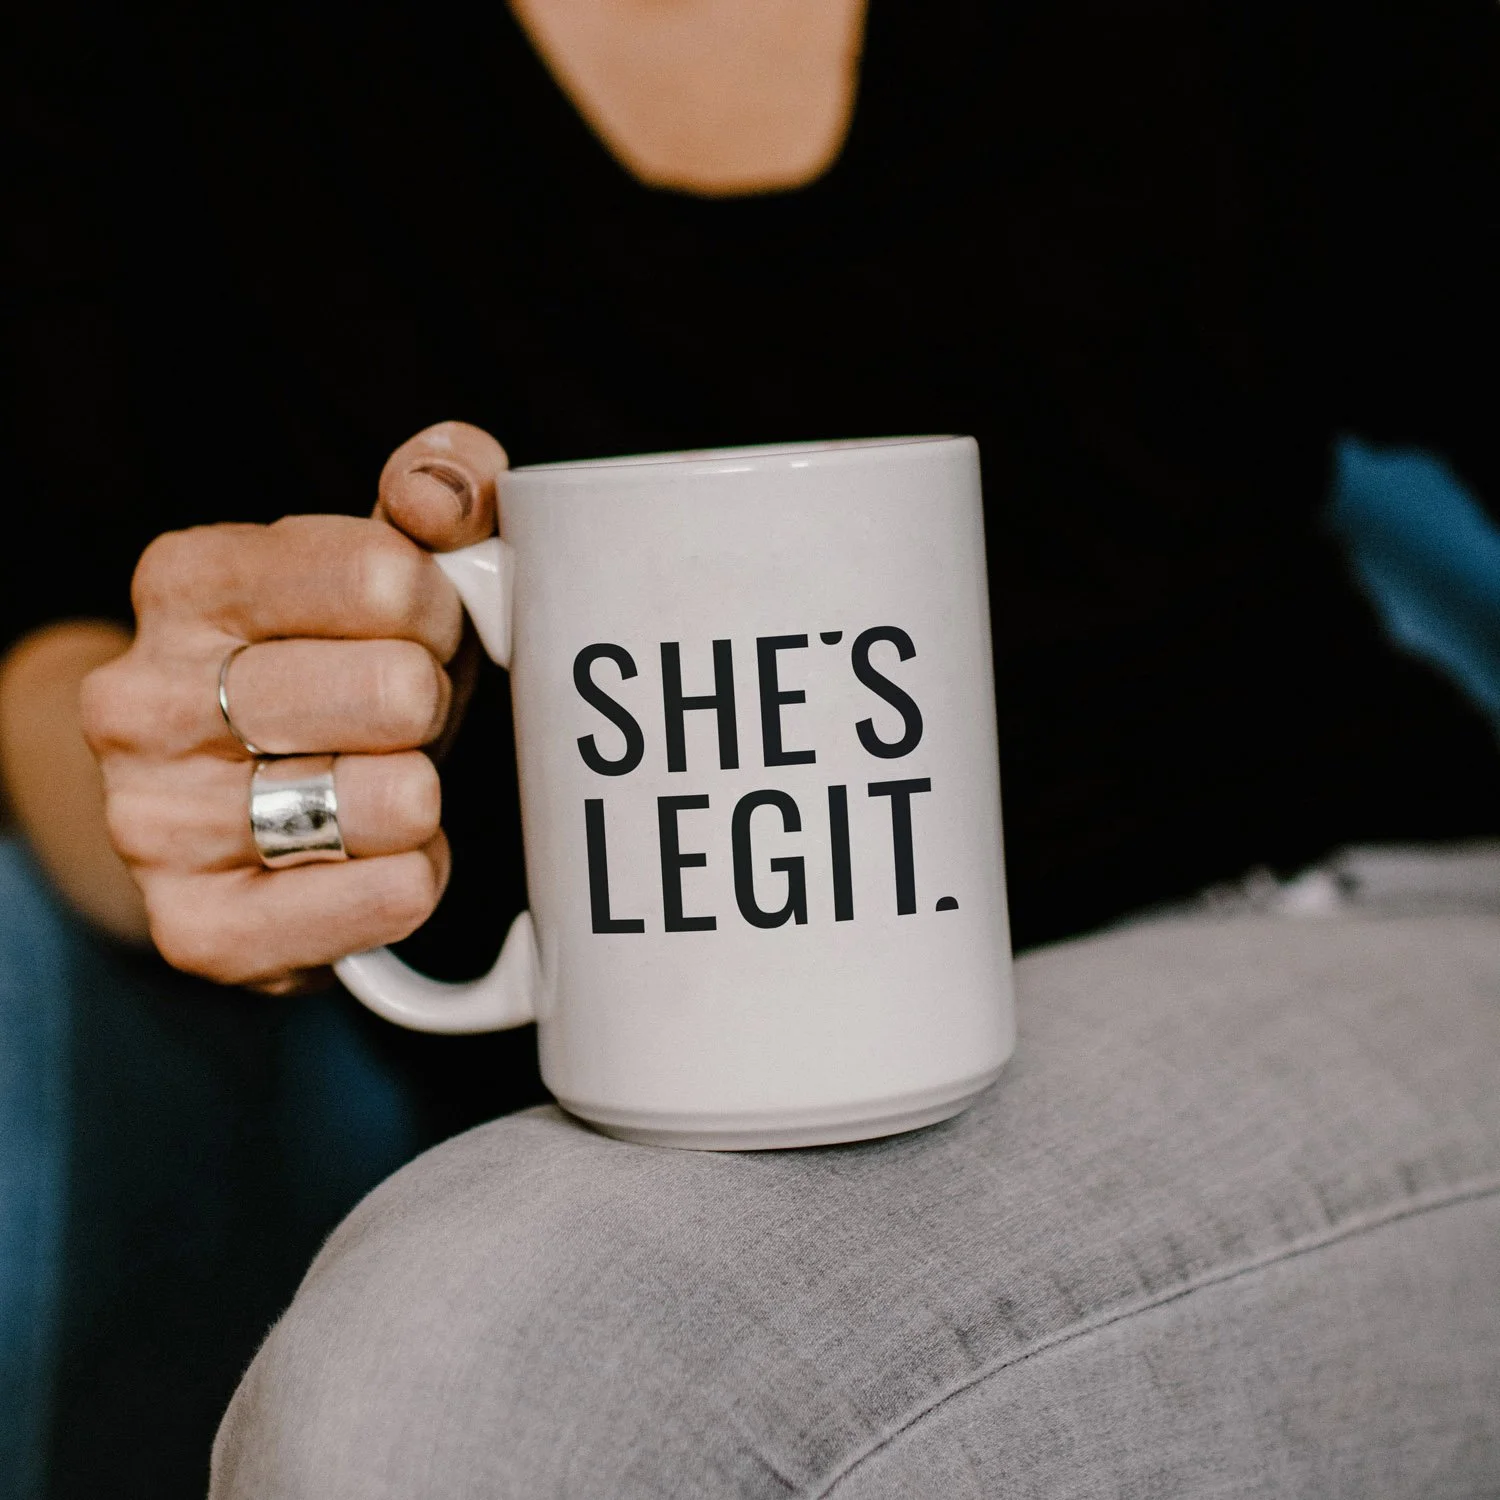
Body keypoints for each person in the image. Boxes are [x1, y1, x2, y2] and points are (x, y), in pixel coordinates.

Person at [5, 0, 1500, 1493]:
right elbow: (61, 647)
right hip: (636, 1151)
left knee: (458, 1377)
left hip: (1330, 937)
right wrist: (228, 796)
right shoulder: (163, 63)